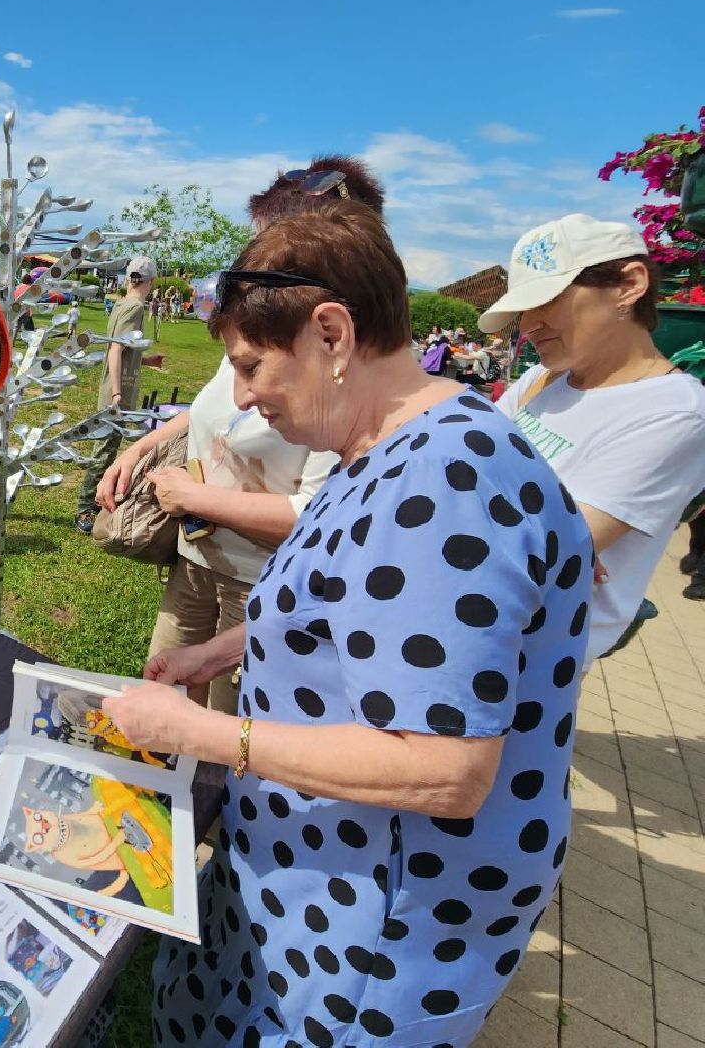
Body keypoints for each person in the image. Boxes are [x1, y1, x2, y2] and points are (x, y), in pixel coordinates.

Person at [104, 199, 593, 1046]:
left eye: (254, 365)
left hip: (372, 925)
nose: (247, 398)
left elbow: (445, 769)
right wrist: (226, 648)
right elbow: (352, 609)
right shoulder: (391, 444)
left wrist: (211, 735)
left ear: (332, 334)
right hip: (317, 870)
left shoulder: (449, 483)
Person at [93, 156, 389, 710]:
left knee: (224, 728)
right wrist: (141, 446)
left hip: (261, 582)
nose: (247, 391)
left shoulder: (349, 392)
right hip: (198, 554)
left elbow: (319, 520)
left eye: (272, 254)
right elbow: (216, 408)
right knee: (167, 686)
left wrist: (193, 496)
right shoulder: (267, 340)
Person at [485, 214, 705, 661]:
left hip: (530, 653)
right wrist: (554, 541)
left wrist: (551, 543)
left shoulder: (675, 411)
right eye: (523, 309)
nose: (528, 324)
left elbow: (537, 549)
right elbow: (457, 474)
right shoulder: (541, 381)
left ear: (628, 284)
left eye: (547, 299)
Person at [76, 257, 153, 532]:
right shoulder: (134, 308)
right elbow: (115, 350)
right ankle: (85, 508)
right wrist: (118, 392)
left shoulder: (121, 303)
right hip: (117, 393)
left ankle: (95, 499)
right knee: (105, 449)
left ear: (128, 279)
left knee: (108, 446)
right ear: (151, 282)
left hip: (116, 389)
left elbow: (124, 349)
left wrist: (147, 360)